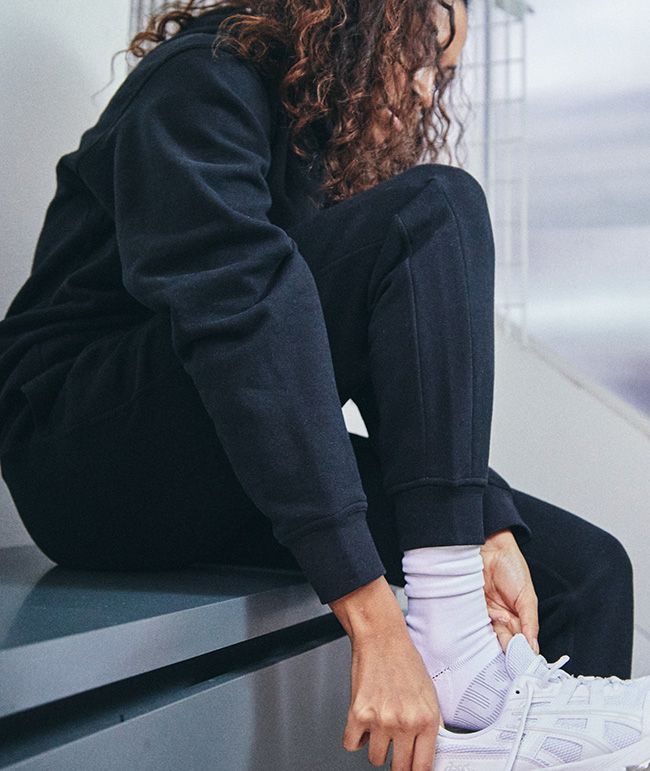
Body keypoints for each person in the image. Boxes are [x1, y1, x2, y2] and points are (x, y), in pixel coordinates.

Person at [0, 2, 645, 769]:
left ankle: (495, 722)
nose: (426, 91)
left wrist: (487, 520)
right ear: (361, 22)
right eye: (420, 54)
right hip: (85, 458)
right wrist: (376, 619)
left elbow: (373, 369)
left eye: (439, 76)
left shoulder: (310, 150)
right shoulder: (201, 80)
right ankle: (460, 661)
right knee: (436, 207)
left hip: (216, 449)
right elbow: (247, 332)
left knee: (586, 571)